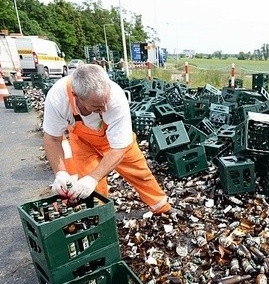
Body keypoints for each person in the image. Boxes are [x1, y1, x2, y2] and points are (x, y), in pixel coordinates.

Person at [42, 64, 172, 214]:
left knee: (139, 172)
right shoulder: (58, 98)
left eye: (106, 102)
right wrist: (61, 173)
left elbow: (119, 148)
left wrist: (94, 177)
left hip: (116, 142)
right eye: (97, 106)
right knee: (89, 184)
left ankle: (161, 206)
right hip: (83, 141)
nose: (104, 109)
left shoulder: (116, 98)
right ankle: (100, 215)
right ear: (76, 95)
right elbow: (52, 138)